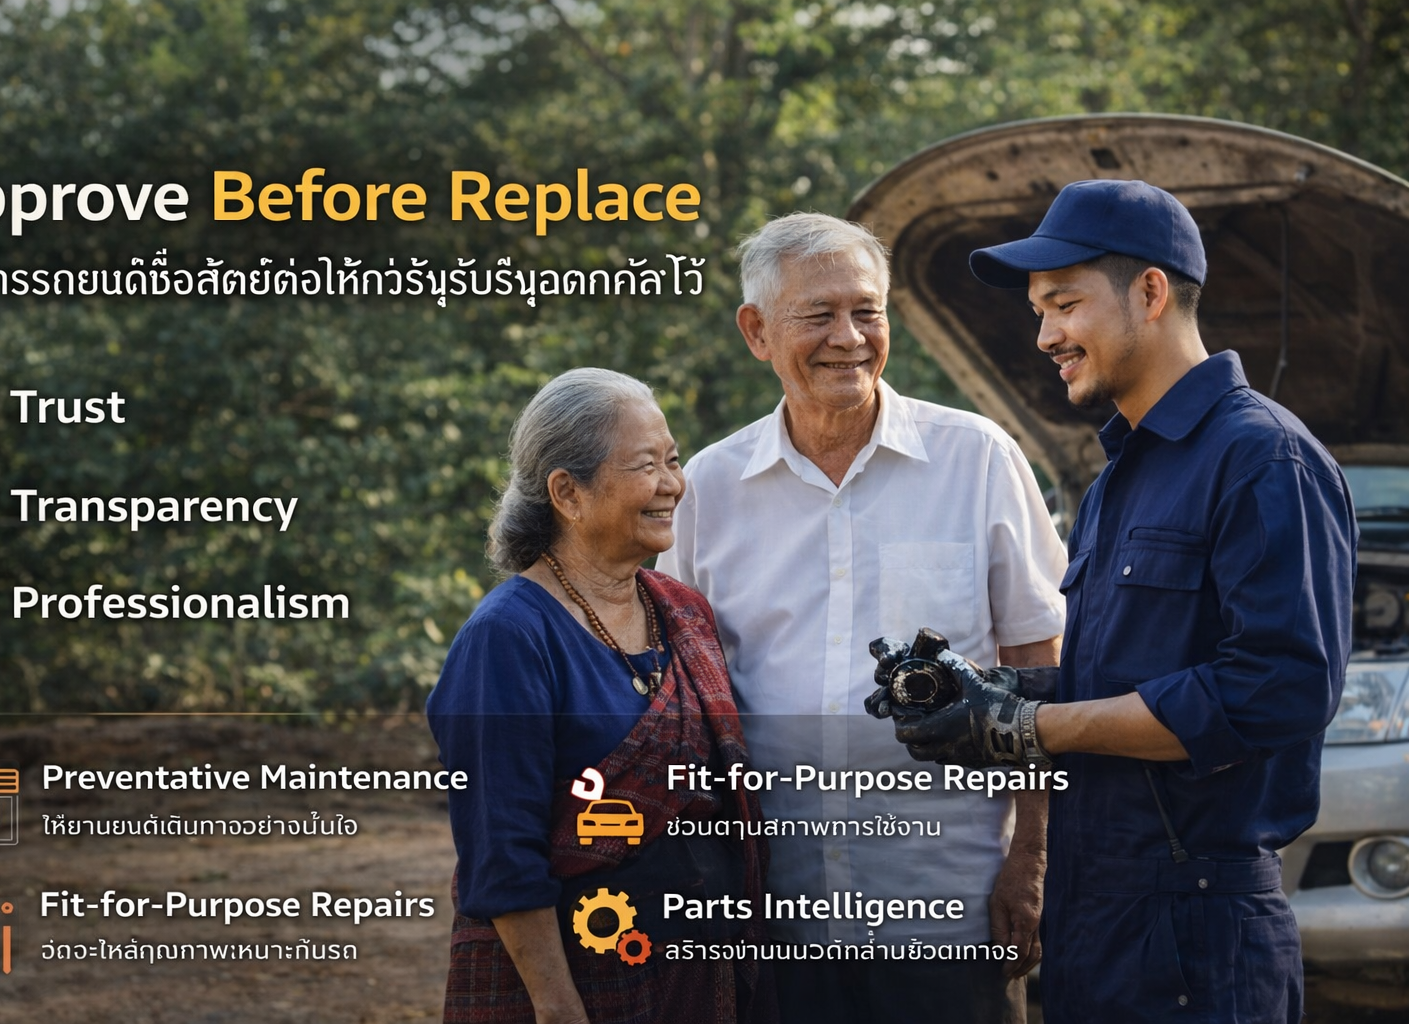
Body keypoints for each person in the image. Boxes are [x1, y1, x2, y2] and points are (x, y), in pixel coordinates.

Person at [892, 179, 1356, 1023]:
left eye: (1065, 305)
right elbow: (1117, 678)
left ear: (1150, 292)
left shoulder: (1263, 459)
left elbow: (1279, 688)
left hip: (1199, 928)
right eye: (1038, 312)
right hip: (1094, 918)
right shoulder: (1117, 481)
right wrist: (985, 693)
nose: (1045, 336)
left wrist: (1035, 727)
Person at [656, 213, 1067, 1024]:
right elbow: (682, 696)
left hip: (951, 908)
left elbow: (1038, 666)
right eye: (818, 314)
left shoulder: (977, 459)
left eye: (866, 312)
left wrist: (1032, 857)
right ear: (756, 332)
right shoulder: (710, 488)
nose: (848, 338)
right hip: (776, 917)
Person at [427, 367, 776, 1024]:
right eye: (646, 465)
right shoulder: (508, 636)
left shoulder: (683, 611)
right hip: (581, 984)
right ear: (568, 492)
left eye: (673, 460)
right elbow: (501, 847)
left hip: (702, 980)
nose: (672, 484)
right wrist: (558, 1006)